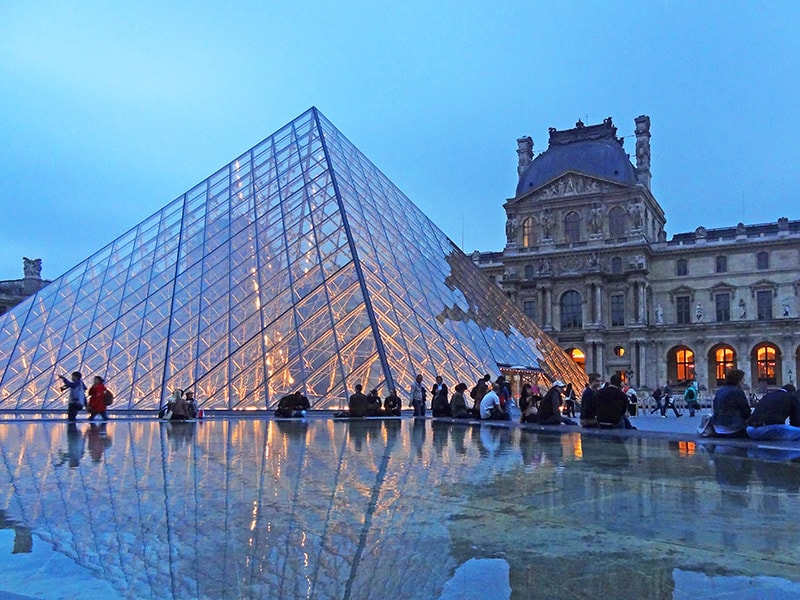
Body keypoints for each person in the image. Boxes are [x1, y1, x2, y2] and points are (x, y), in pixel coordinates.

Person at [711, 369, 751, 437]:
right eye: (743, 380)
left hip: (717, 428)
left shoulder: (720, 391)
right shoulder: (737, 391)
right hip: (732, 428)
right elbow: (746, 412)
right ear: (738, 381)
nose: (743, 383)